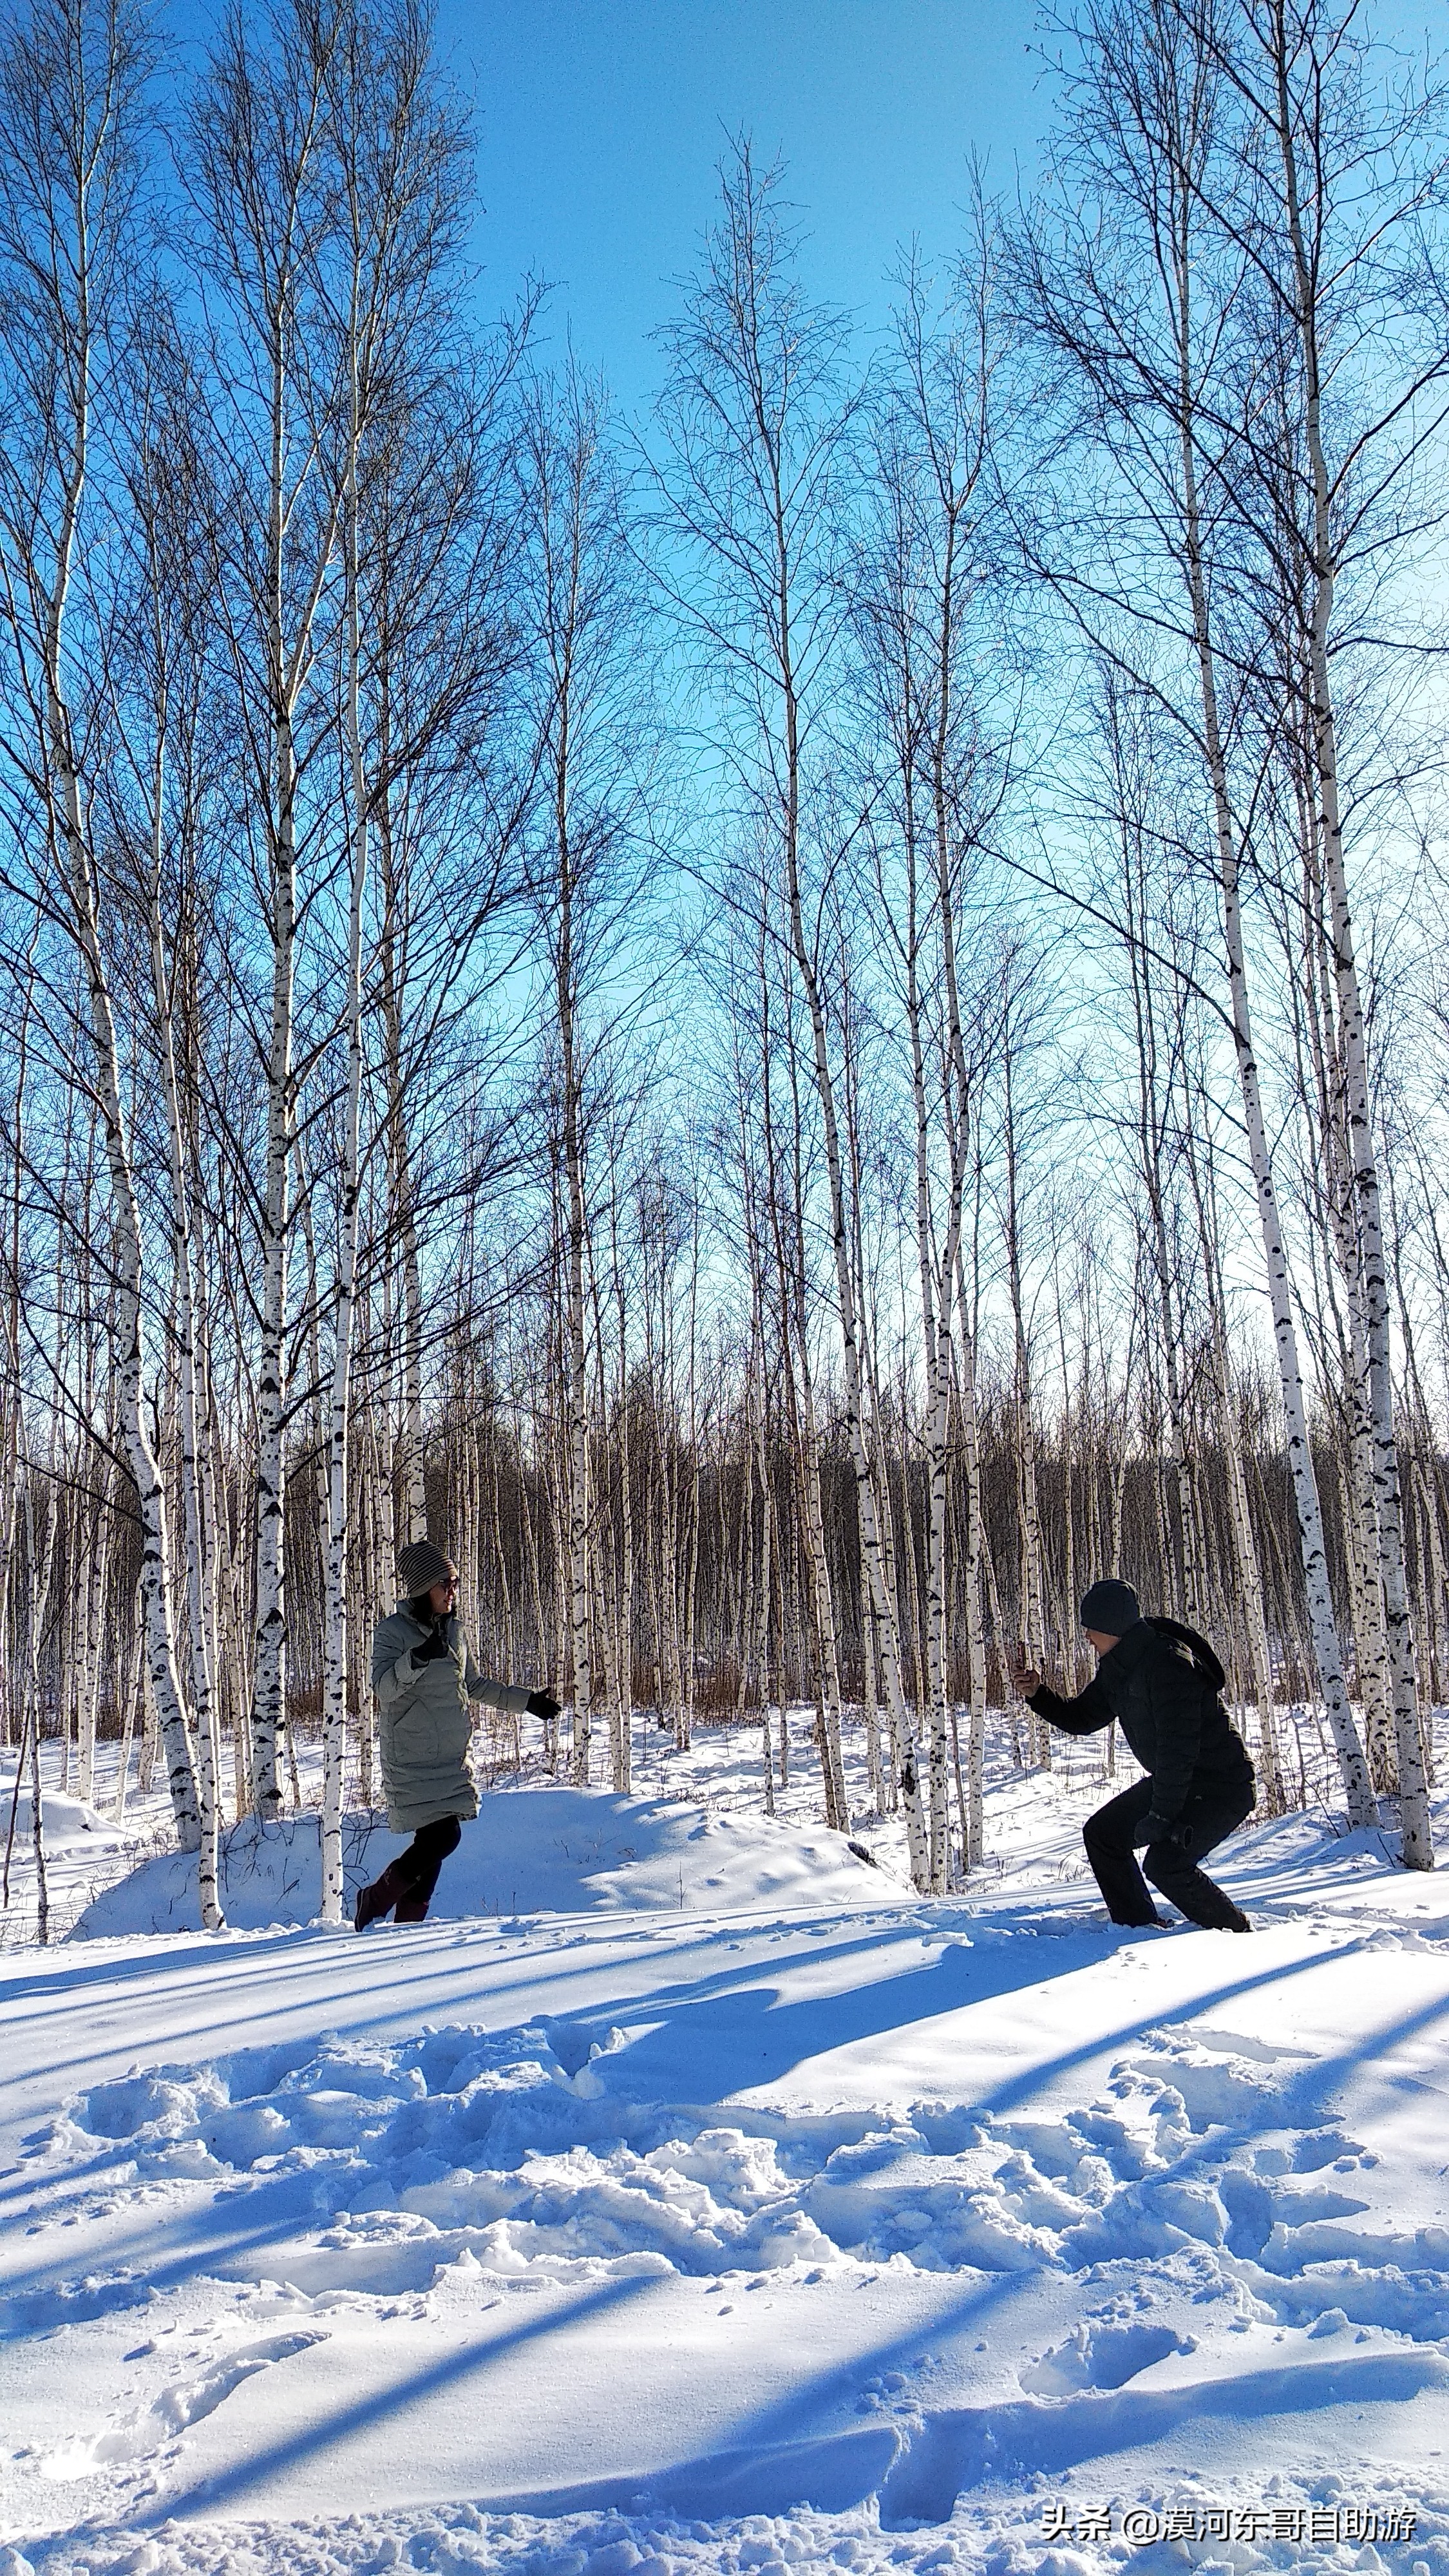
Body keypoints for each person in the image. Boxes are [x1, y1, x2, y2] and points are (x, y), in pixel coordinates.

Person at [1009, 1578, 1255, 1933]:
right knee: (1103, 1834)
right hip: (1181, 1781)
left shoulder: (1169, 1664)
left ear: (1111, 1625)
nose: (1088, 1638)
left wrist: (1159, 1816)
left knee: (1166, 1865)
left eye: (1091, 1629)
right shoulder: (1119, 1667)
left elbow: (1178, 1754)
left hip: (1223, 1786)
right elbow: (1082, 1717)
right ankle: (1136, 1928)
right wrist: (1038, 1693)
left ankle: (1238, 1935)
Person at [355, 1539, 561, 1929]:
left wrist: (527, 1702)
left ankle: (407, 1926)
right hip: (412, 1760)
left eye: (455, 1582)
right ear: (421, 1587)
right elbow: (383, 1689)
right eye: (445, 1584)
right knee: (443, 1838)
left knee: (433, 1845)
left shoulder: (455, 1631)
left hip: (449, 1759)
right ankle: (376, 1897)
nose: (453, 1592)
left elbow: (475, 1684)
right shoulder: (392, 1633)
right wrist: (415, 1659)